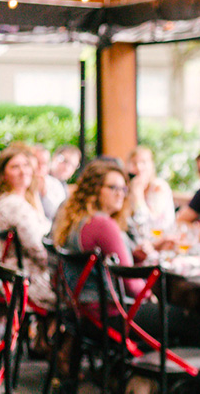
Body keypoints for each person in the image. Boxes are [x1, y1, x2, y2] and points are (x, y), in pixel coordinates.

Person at [52, 160, 164, 338]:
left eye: (123, 189)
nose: (120, 194)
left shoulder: (76, 220)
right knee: (193, 320)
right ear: (94, 190)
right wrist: (152, 296)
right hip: (110, 317)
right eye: (113, 188)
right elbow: (130, 283)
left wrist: (134, 255)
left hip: (81, 315)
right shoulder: (102, 224)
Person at [0, 146, 54, 311]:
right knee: (78, 298)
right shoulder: (13, 205)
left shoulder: (15, 200)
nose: (23, 171)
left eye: (26, 165)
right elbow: (38, 249)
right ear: (3, 175)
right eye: (15, 167)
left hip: (17, 279)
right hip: (26, 282)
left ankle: (44, 337)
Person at [127, 146, 176, 234]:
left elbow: (150, 223)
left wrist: (138, 195)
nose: (139, 167)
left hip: (160, 237)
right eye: (134, 163)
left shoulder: (159, 187)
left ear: (151, 165)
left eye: (143, 162)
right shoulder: (129, 186)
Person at [32, 144, 68, 221]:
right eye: (37, 162)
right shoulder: (22, 184)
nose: (40, 167)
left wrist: (44, 193)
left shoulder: (55, 184)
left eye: (44, 163)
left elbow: (59, 215)